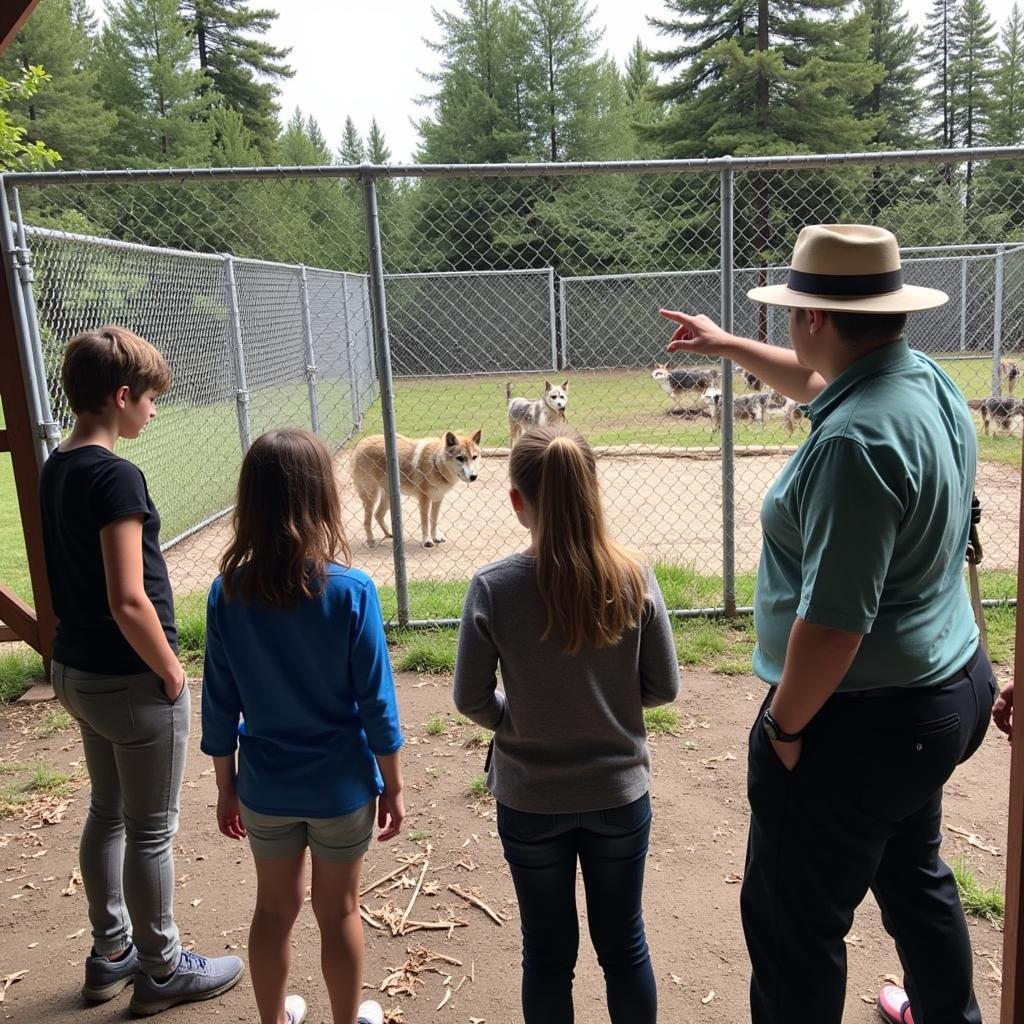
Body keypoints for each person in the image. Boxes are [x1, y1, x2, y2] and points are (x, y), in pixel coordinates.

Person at [660, 224, 997, 1024]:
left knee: (794, 928)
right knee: (915, 878)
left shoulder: (854, 441)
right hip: (946, 690)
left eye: (789, 310)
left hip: (861, 721)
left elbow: (835, 627)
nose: (786, 325)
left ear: (813, 318)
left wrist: (781, 729)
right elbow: (818, 383)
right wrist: (727, 344)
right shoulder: (920, 381)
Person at [40, 326, 244, 1014]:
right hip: (130, 680)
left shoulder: (58, 464)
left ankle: (112, 953)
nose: (155, 410)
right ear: (121, 397)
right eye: (151, 397)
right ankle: (161, 969)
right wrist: (172, 670)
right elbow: (128, 597)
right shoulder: (114, 474)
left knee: (108, 812)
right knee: (151, 827)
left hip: (76, 671)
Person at [453, 424, 680, 1024]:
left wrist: (516, 719)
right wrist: (610, 706)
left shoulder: (494, 587)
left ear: (516, 501)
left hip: (531, 801)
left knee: (547, 954)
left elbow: (470, 698)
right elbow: (664, 687)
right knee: (625, 944)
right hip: (618, 794)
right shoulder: (634, 576)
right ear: (592, 490)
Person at [201, 427, 404, 1024]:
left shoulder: (226, 594)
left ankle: (274, 1020)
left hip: (265, 786)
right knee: (339, 911)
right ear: (322, 498)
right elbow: (377, 704)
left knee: (272, 911)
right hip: (341, 787)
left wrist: (225, 785)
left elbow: (219, 701)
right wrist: (391, 784)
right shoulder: (352, 591)